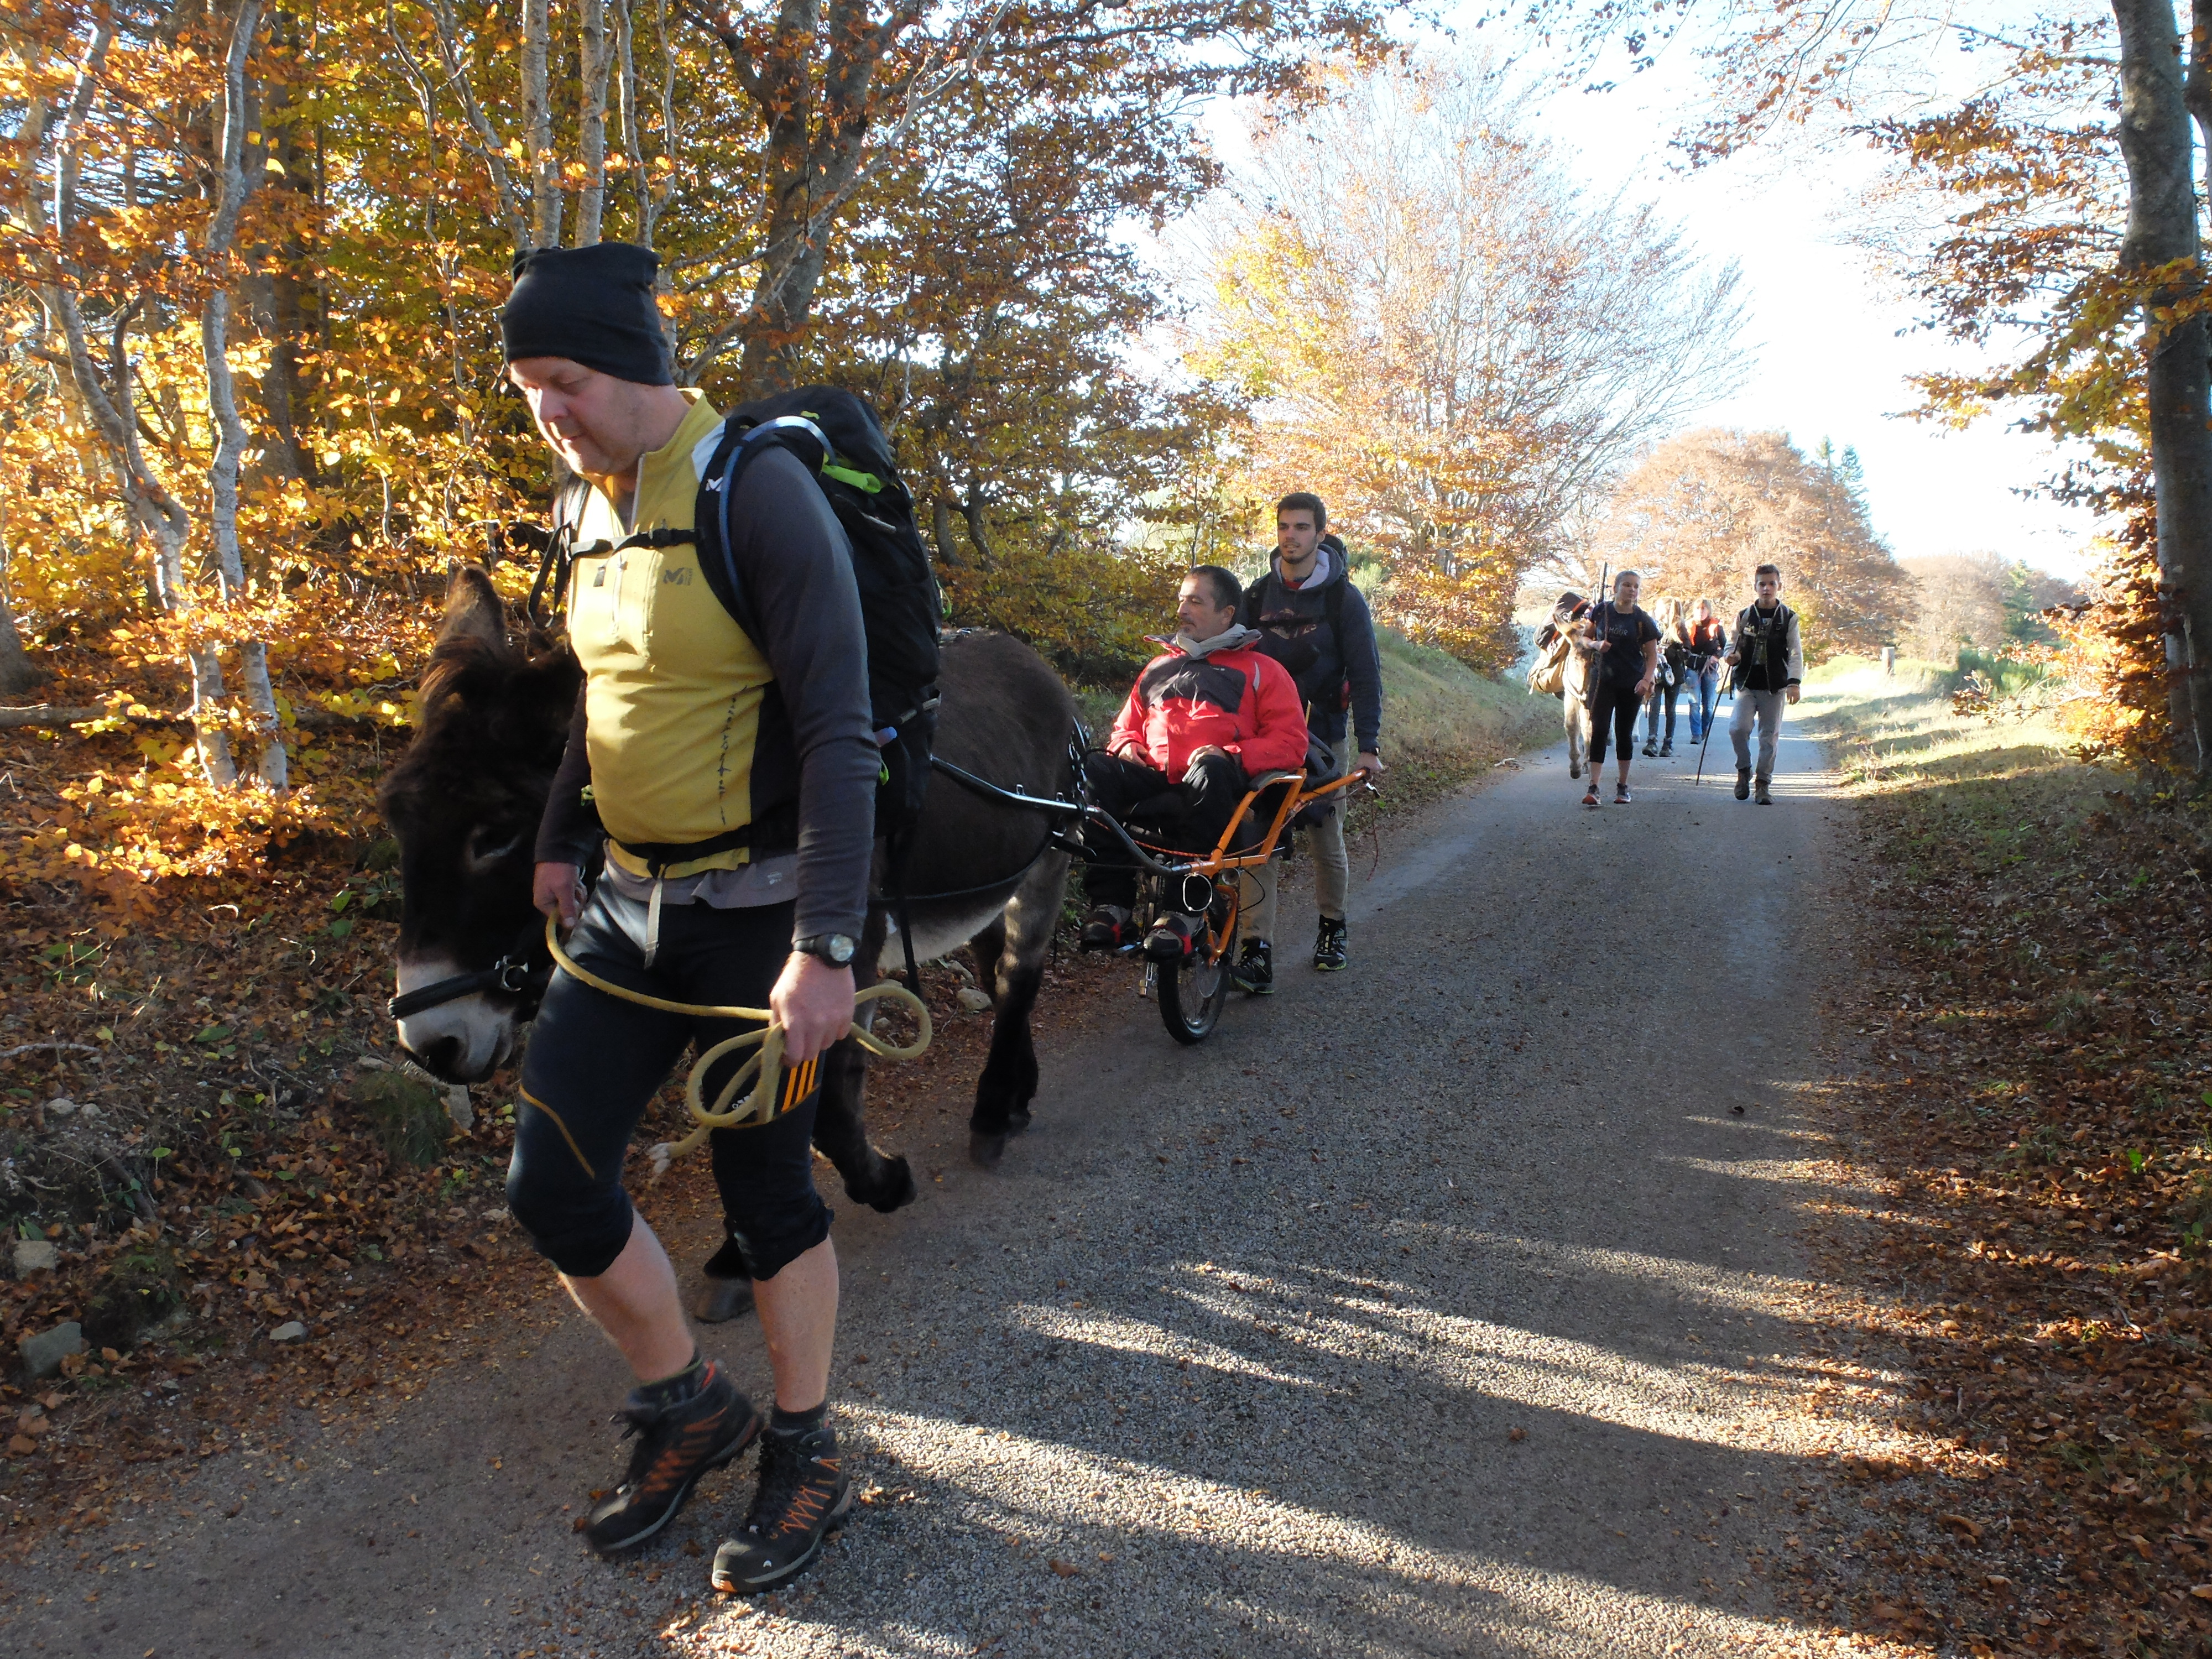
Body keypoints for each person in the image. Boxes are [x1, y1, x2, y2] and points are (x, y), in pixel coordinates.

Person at [504, 241, 868, 1592]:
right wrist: (557, 838)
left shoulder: (757, 493)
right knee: (550, 1180)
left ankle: (806, 1443)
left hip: (757, 912)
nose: (550, 406)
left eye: (568, 378)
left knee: (766, 1191)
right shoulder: (585, 502)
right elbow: (606, 690)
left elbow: (837, 730)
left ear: (640, 366)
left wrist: (824, 945)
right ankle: (686, 1402)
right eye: (530, 385)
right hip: (621, 909)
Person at [1078, 565, 1308, 961]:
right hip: (1154, 781)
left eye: (1196, 601)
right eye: (1182, 599)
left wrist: (1232, 755)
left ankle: (1183, 914)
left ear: (1227, 614)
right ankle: (1111, 908)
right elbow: (1123, 729)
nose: (1183, 609)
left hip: (1218, 787)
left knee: (1211, 769)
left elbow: (1291, 743)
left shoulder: (1262, 671)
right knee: (1095, 768)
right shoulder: (1156, 668)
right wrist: (1127, 745)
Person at [1232, 492, 1385, 988]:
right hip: (1267, 740)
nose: (1291, 536)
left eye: (1301, 527)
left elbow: (1365, 673)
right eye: (1284, 527)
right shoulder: (1256, 597)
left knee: (1325, 836)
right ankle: (1256, 953)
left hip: (1324, 737)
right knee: (1260, 840)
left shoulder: (1343, 598)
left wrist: (1369, 745)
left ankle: (1332, 930)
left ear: (1321, 534)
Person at [1572, 568, 1659, 807]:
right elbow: (1584, 639)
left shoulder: (1642, 620)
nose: (1632, 590)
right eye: (1627, 585)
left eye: (1636, 587)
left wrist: (1646, 679)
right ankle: (1594, 787)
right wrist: (1596, 644)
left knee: (1624, 734)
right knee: (1599, 731)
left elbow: (1652, 656)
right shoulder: (1601, 611)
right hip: (1602, 682)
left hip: (1631, 684)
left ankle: (1622, 786)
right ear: (1616, 588)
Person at [1726, 562, 1804, 805]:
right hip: (1746, 683)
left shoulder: (1789, 617)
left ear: (1779, 586)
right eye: (1763, 584)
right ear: (1756, 586)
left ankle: (1763, 784)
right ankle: (1744, 771)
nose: (1767, 589)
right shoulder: (1744, 615)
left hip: (1775, 685)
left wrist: (1794, 683)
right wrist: (1731, 656)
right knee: (1738, 728)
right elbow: (1732, 644)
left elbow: (1795, 652)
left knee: (1769, 737)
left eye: (1772, 584)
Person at [1641, 597, 1688, 758]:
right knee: (1654, 705)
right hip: (1656, 673)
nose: (1658, 610)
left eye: (1661, 608)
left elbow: (1687, 652)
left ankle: (1668, 743)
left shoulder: (1680, 627)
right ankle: (1651, 740)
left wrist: (1669, 652)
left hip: (1673, 674)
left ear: (1668, 610)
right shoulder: (1653, 624)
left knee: (1670, 708)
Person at [1685, 598, 1727, 745]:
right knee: (1694, 702)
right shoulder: (1688, 626)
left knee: (1708, 705)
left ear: (1708, 610)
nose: (1700, 612)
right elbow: (1682, 646)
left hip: (1710, 667)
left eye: (1703, 609)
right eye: (1698, 609)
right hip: (1693, 667)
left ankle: (1704, 730)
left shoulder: (1716, 627)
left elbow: (1725, 646)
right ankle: (1696, 734)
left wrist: (1716, 657)